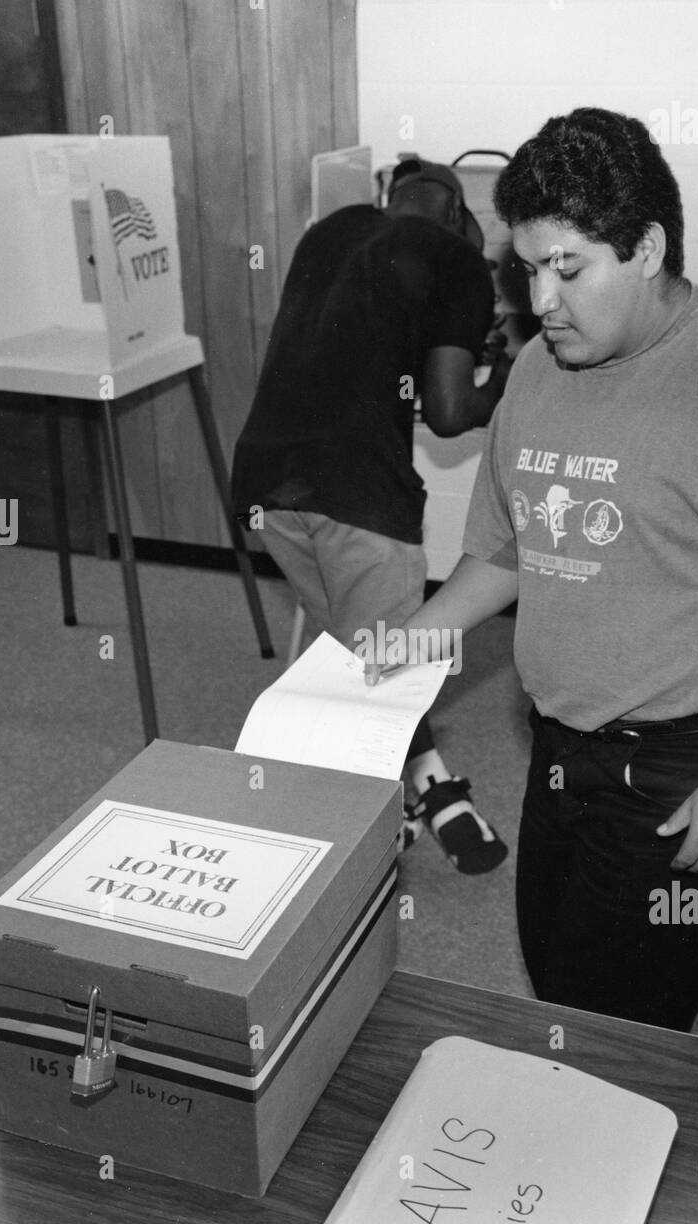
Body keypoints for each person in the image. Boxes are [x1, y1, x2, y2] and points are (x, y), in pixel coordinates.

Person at [366, 108, 698, 1030]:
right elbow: (508, 548)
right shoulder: (537, 371)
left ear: (647, 248)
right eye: (527, 270)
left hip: (688, 767)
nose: (542, 301)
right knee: (559, 977)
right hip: (559, 750)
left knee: (632, 1029)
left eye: (568, 268)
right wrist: (410, 643)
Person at [232, 159, 513, 874]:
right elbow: (450, 414)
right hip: (360, 500)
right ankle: (353, 856)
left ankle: (430, 783)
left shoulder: (330, 231)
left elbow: (352, 347)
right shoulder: (460, 260)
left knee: (365, 662)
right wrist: (504, 378)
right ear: (459, 218)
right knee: (384, 683)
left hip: (265, 489)